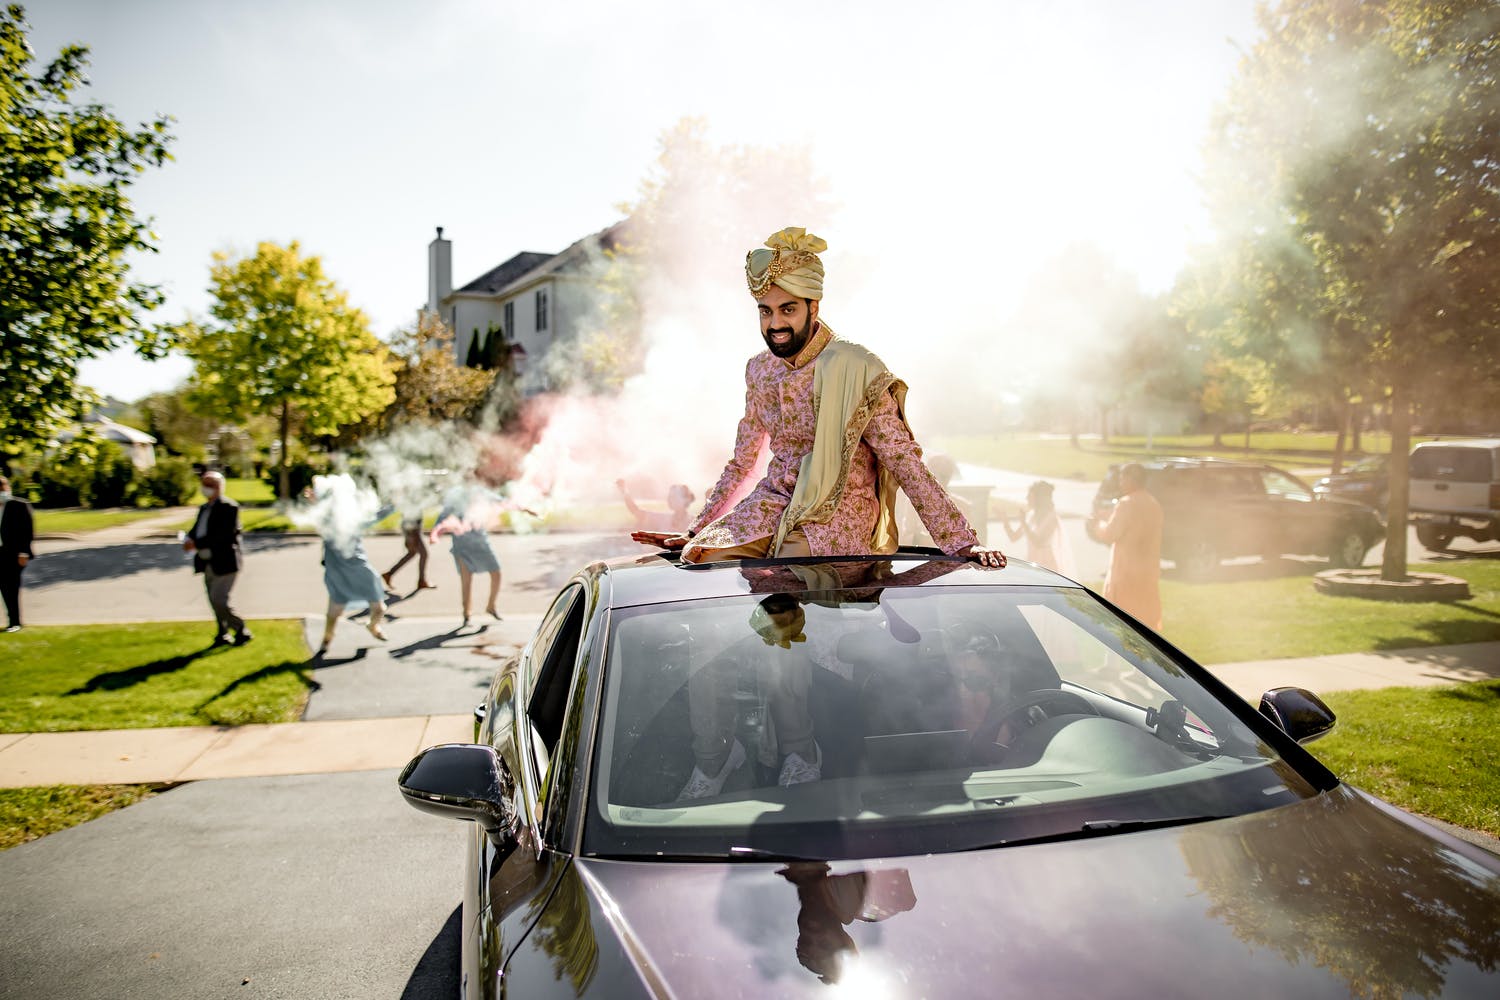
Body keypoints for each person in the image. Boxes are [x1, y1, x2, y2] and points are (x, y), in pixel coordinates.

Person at [632, 227, 1005, 569]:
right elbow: (742, 463)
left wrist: (962, 543)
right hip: (774, 501)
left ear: (814, 307)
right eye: (766, 311)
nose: (775, 324)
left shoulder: (856, 367)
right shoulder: (761, 370)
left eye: (788, 309)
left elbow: (903, 460)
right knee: (699, 558)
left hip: (835, 511)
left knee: (787, 569)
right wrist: (698, 529)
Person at [303, 479, 389, 654]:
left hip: (360, 568)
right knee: (333, 613)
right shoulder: (326, 522)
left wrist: (396, 503)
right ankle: (327, 639)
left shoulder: (354, 520)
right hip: (338, 572)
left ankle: (373, 626)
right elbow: (318, 513)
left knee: (379, 607)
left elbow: (378, 515)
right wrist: (314, 501)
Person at [1090, 462, 1163, 629]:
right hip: (1147, 575)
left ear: (1132, 479)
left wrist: (1097, 523)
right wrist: (1108, 513)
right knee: (1144, 630)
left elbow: (1110, 534)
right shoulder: (1154, 504)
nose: (1120, 482)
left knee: (1119, 628)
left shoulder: (1126, 503)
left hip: (1125, 575)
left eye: (1122, 478)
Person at [182, 470, 250, 646]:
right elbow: (197, 529)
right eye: (204, 484)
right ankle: (223, 632)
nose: (206, 488)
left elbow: (224, 535)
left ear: (219, 487)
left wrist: (197, 543)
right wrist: (189, 539)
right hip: (207, 561)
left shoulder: (229, 507)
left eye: (210, 485)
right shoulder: (204, 508)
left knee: (218, 599)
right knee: (213, 600)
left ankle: (241, 628)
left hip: (225, 561)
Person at [430, 486, 505, 626]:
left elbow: (503, 501)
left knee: (496, 572)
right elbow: (442, 518)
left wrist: (526, 509)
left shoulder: (481, 491)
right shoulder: (455, 495)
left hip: (481, 542)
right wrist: (435, 534)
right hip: (462, 545)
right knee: (466, 579)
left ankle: (491, 606)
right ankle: (466, 614)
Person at [1003, 480, 1074, 576]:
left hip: (1047, 565)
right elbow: (1014, 537)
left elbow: (1038, 542)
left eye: (1030, 495)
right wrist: (1004, 519)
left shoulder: (1051, 518)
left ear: (1038, 498)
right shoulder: (1031, 516)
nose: (1026, 498)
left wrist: (1023, 522)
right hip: (1032, 562)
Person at [0, 476, 34, 632]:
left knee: (10, 588)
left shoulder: (19, 505)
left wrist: (24, 552)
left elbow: (27, 530)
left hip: (12, 554)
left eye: (2, 488)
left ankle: (15, 622)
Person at [616, 479, 695, 534]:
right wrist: (625, 492)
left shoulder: (695, 522)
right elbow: (636, 511)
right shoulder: (663, 518)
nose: (670, 499)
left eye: (674, 496)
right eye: (669, 497)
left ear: (687, 499)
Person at [382, 511, 435, 593]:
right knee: (424, 554)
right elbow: (409, 512)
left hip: (412, 528)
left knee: (412, 553)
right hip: (412, 529)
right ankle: (422, 580)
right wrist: (411, 534)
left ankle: (389, 574)